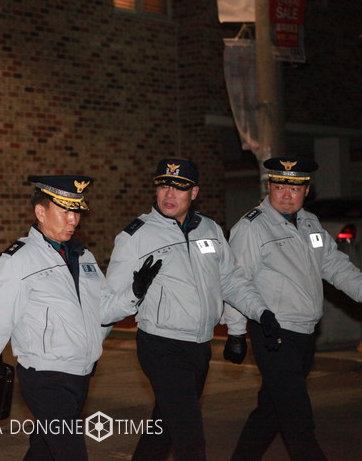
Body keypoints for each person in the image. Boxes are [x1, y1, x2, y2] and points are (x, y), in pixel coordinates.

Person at [0, 175, 160, 460]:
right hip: (45, 377)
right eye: (65, 211)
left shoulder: (83, 256)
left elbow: (103, 311)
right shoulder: (17, 261)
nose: (73, 220)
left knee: (44, 451)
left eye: (77, 212)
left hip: (80, 373)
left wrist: (134, 292)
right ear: (40, 212)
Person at [105, 158, 282, 461]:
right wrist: (91, 349)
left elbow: (231, 280)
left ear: (194, 193)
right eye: (163, 186)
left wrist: (260, 313)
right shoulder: (136, 236)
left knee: (165, 428)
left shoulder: (210, 229)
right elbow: (108, 301)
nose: (169, 194)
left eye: (179, 187)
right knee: (190, 438)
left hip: (199, 347)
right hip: (161, 346)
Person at [225, 156, 362, 461]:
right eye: (280, 187)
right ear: (269, 186)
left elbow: (334, 264)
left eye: (294, 188)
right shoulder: (252, 227)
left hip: (305, 333)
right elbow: (236, 281)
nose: (286, 195)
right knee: (298, 419)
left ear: (306, 190)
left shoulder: (309, 222)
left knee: (271, 411)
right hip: (273, 333)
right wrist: (236, 332)